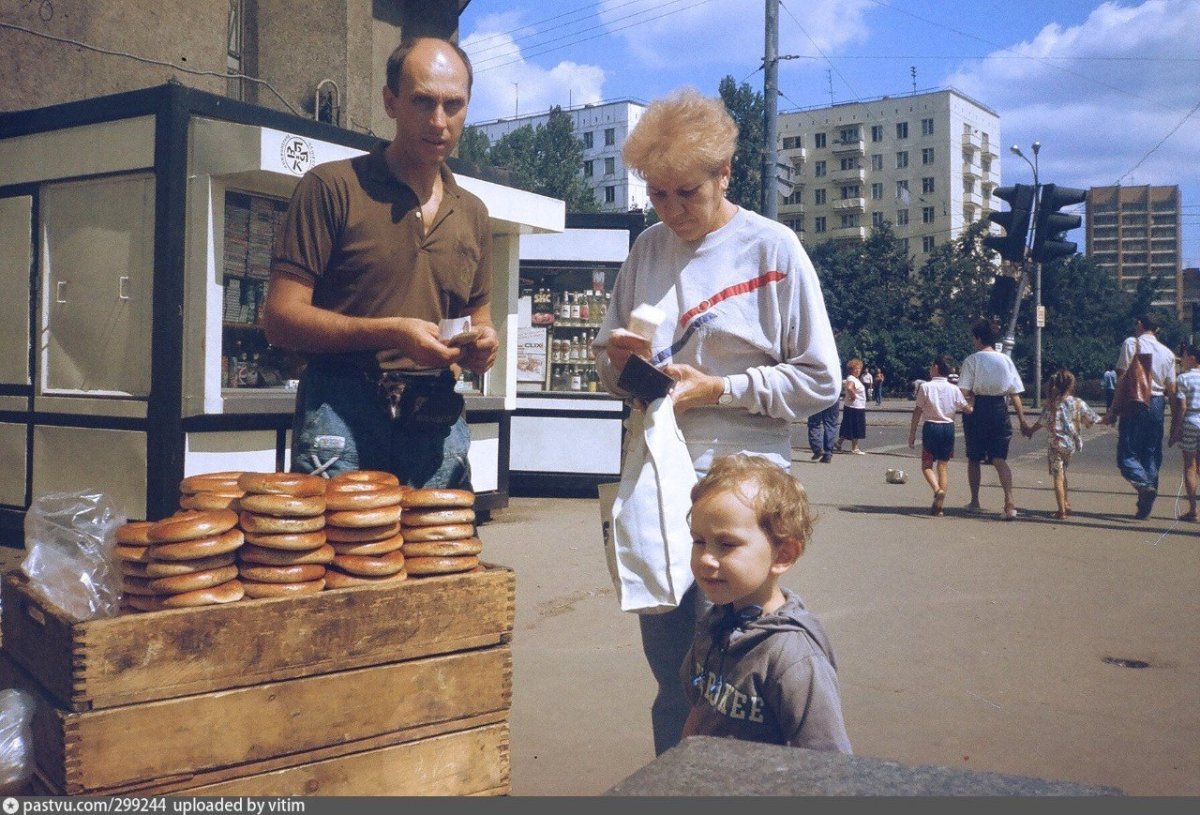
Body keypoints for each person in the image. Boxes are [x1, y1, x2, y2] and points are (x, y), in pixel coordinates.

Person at [592, 86, 840, 756]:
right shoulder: (646, 248)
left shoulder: (772, 249)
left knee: (732, 680)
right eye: (656, 193)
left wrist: (720, 387)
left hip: (739, 487)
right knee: (675, 677)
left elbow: (822, 379)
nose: (670, 211)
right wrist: (619, 363)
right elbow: (609, 372)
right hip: (655, 486)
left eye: (685, 194)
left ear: (724, 174)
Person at [263, 37, 498, 489]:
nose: (439, 122)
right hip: (341, 406)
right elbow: (280, 319)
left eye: (454, 105)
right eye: (422, 102)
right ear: (390, 102)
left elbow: (477, 319)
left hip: (435, 412)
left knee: (439, 558)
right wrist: (390, 332)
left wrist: (483, 345)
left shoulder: (473, 212)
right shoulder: (331, 188)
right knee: (336, 556)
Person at [680, 453, 852, 751]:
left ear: (783, 555)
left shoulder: (794, 659)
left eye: (727, 544)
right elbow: (698, 710)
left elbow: (827, 762)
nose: (706, 558)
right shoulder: (714, 624)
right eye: (699, 541)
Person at [1100, 314, 1177, 519]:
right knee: (1151, 453)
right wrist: (1176, 421)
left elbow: (1123, 378)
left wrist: (1113, 410)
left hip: (1135, 401)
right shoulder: (1168, 353)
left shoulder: (1131, 343)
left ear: (1140, 324)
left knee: (1127, 455)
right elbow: (1172, 389)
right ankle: (1145, 504)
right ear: (1157, 330)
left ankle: (1144, 487)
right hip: (1158, 404)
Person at [958, 319, 1030, 521]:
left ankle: (975, 501)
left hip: (978, 409)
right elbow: (1015, 393)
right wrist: (1023, 421)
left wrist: (965, 401)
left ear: (979, 338)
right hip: (1000, 409)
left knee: (974, 458)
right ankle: (1009, 500)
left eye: (973, 337)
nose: (972, 341)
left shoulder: (972, 360)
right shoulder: (1005, 360)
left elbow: (963, 391)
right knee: (999, 459)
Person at [1025, 369, 1101, 520]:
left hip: (1055, 446)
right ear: (1071, 385)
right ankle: (1066, 502)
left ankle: (1061, 511)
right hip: (1071, 445)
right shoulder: (1078, 403)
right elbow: (1092, 419)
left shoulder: (1051, 405)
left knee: (1058, 477)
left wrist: (1029, 431)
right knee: (1064, 473)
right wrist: (1110, 418)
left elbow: (1040, 423)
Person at [908, 355, 970, 516]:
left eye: (931, 366)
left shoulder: (926, 387)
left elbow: (918, 410)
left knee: (927, 465)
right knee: (943, 466)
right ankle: (939, 508)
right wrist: (974, 399)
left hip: (931, 428)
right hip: (948, 428)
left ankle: (937, 490)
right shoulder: (954, 388)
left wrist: (912, 434)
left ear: (936, 368)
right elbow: (967, 409)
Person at [1167, 344, 1200, 522]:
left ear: (1193, 358)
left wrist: (1176, 429)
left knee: (1190, 466)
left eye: (1185, 356)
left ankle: (1193, 509)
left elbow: (1182, 407)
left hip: (1191, 421)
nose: (1182, 359)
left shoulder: (1183, 379)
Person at [834, 359, 867, 455]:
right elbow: (849, 387)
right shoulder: (852, 379)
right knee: (856, 427)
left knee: (848, 426)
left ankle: (838, 443)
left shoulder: (852, 378)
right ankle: (855, 448)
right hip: (855, 407)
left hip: (853, 407)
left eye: (859, 368)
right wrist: (853, 395)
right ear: (851, 370)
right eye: (855, 368)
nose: (858, 370)